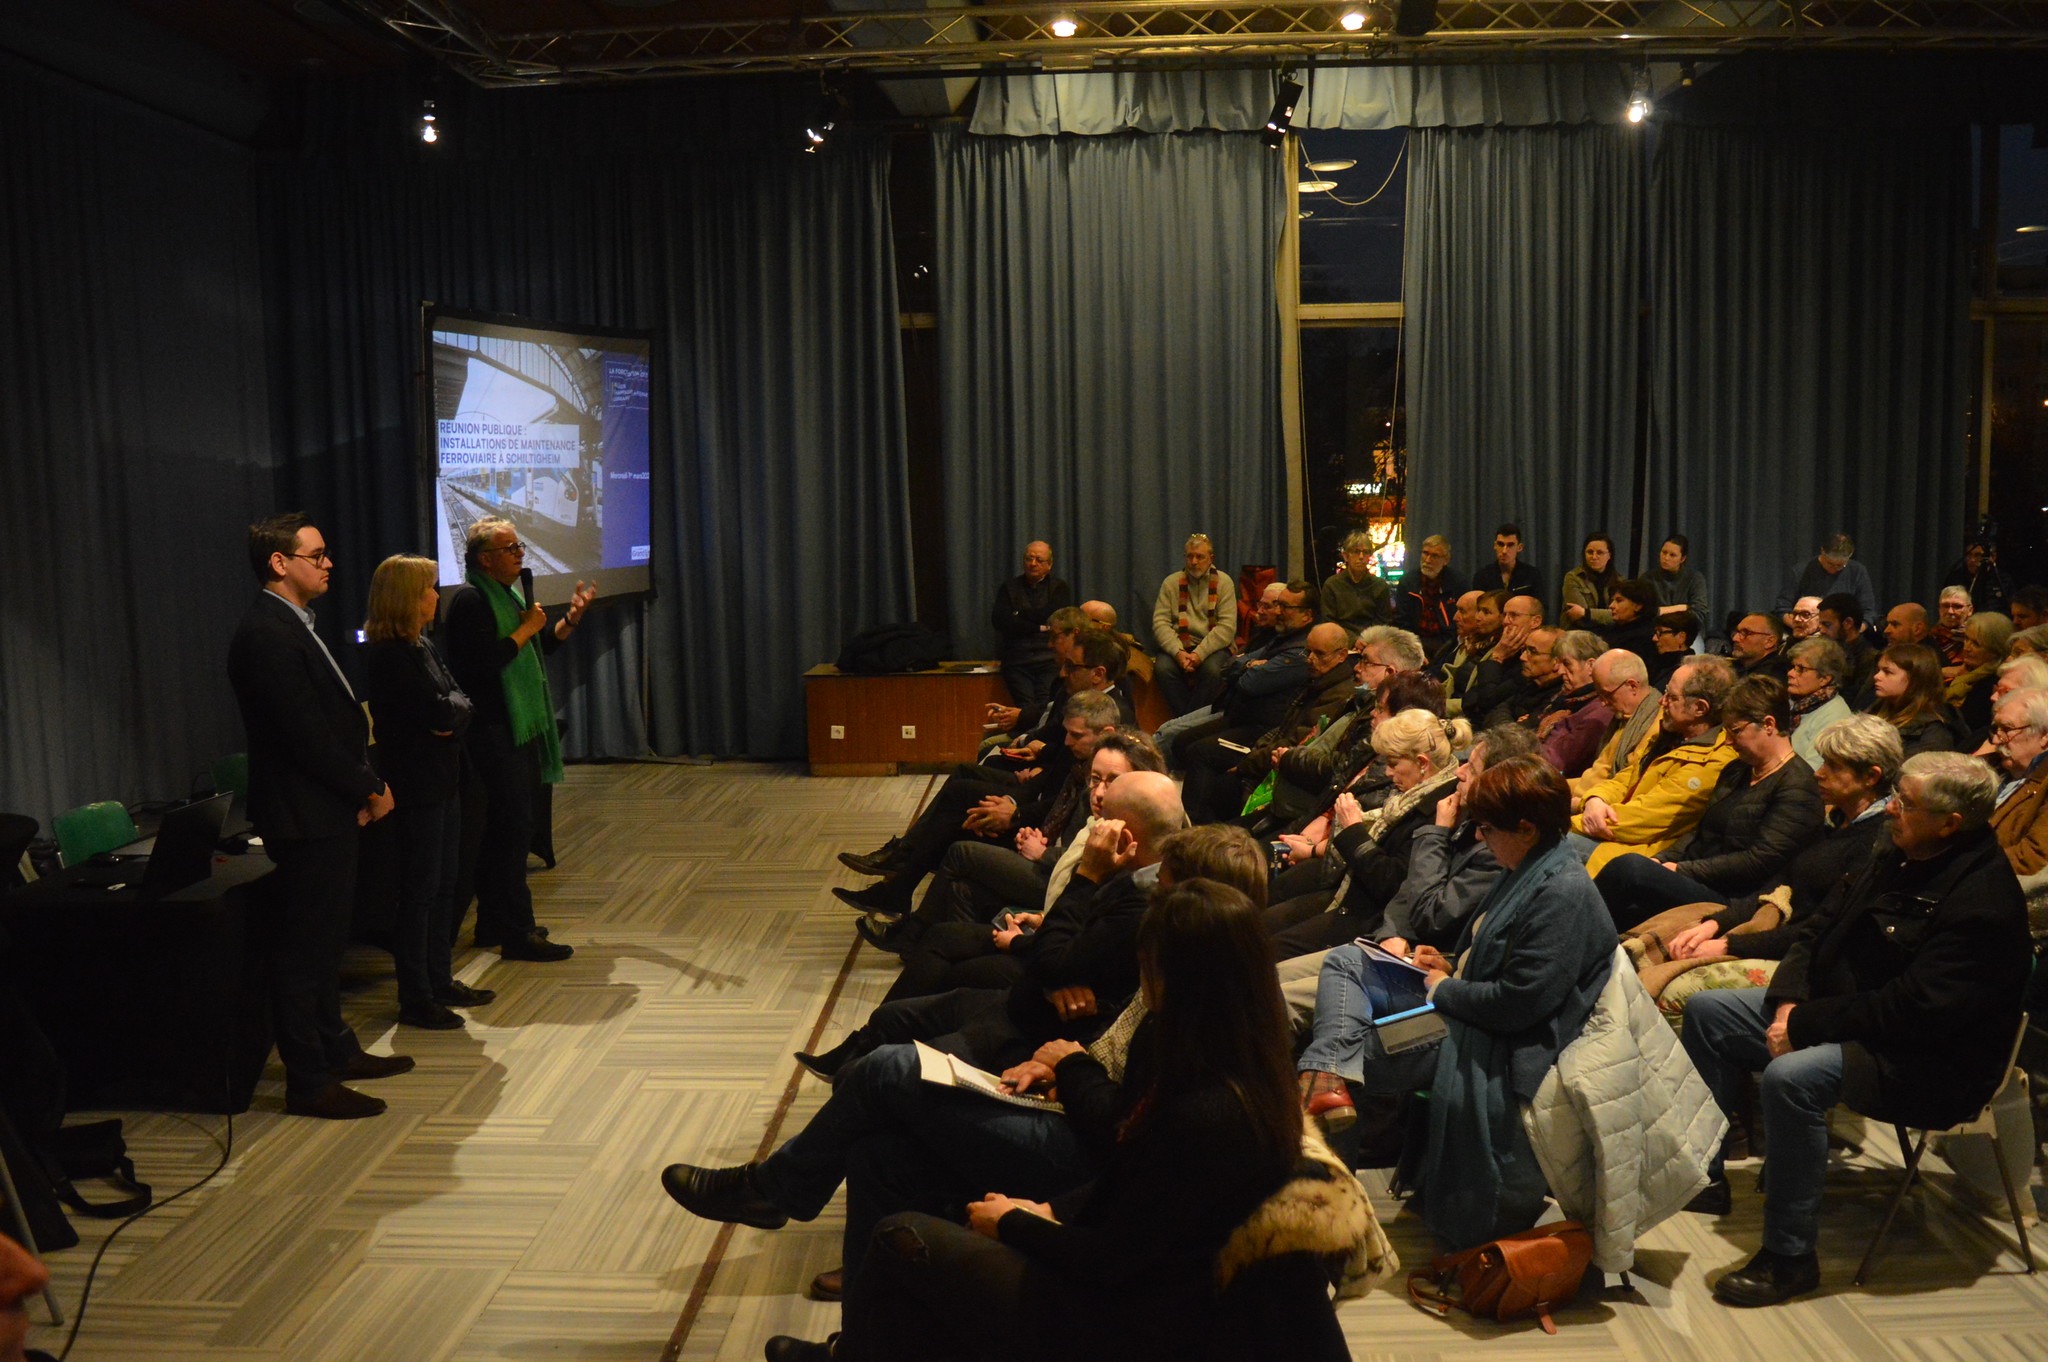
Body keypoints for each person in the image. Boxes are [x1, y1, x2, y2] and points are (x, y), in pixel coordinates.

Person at [759, 878, 1310, 1362]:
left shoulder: (1212, 1112)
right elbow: (1128, 1182)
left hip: (1138, 1321)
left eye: (1147, 966)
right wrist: (1049, 1208)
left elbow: (1117, 1258)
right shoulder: (1219, 1050)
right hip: (1117, 1253)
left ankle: (783, 1211)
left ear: (1178, 976)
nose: (1143, 982)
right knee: (879, 1156)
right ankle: (857, 1348)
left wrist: (1016, 1222)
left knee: (899, 1233)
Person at [1681, 752, 2028, 1307]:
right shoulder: (1896, 851)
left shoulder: (1982, 901)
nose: (1889, 809)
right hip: (1850, 1016)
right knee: (1709, 1011)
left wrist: (1804, 1025)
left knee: (1792, 1078)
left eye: (1904, 803)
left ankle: (1790, 1258)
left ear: (1949, 823)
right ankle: (1704, 1174)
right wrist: (1788, 1005)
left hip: (1927, 1060)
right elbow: (1815, 930)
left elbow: (1912, 1009)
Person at [227, 513, 411, 1120]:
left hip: (324, 808)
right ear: (279, 563)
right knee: (304, 953)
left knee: (326, 945)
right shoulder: (265, 634)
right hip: (303, 816)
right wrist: (369, 786)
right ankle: (308, 1082)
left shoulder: (294, 624)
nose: (329, 563)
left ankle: (337, 1050)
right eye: (317, 554)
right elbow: (304, 736)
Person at [1409, 755, 1615, 1253]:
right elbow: (1498, 957)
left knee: (1364, 1053)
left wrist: (1443, 988)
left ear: (1525, 828)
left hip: (1514, 1045)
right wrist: (1451, 963)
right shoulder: (1526, 866)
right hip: (1477, 1015)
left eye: (1486, 828)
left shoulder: (1562, 889)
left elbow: (1520, 1003)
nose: (1480, 838)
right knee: (1348, 975)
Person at [441, 516, 595, 962]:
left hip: (513, 727)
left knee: (507, 830)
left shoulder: (507, 595)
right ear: (485, 559)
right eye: (510, 549)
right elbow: (481, 666)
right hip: (492, 731)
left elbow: (536, 647)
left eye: (519, 547)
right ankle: (518, 932)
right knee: (511, 831)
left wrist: (569, 620)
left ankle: (495, 922)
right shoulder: (471, 601)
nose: (519, 554)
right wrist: (526, 628)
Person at [1645, 716, 1901, 984]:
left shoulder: (1877, 842)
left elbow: (1822, 930)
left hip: (1806, 963)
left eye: (1833, 766)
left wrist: (1729, 945)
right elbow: (1778, 884)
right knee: (1655, 941)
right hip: (1769, 928)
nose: (1819, 773)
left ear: (1871, 777)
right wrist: (1715, 924)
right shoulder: (1834, 822)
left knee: (1679, 984)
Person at [361, 554, 489, 1030]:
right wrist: (449, 714)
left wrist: (451, 715)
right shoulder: (390, 656)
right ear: (407, 599)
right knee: (420, 892)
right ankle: (416, 996)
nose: (437, 596)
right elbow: (440, 713)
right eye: (429, 589)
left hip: (445, 779)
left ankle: (439, 979)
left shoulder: (424, 645)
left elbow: (461, 702)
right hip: (416, 788)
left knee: (445, 885)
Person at [1592, 676, 1823, 928]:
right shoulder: (1737, 769)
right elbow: (1699, 831)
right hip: (1698, 876)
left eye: (1735, 731)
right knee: (1630, 882)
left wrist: (1681, 870)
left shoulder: (1797, 785)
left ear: (1768, 724)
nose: (1729, 741)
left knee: (1630, 869)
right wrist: (1662, 859)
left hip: (1733, 897)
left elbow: (1759, 862)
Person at [1261, 708, 1471, 959]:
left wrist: (1353, 829)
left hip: (1374, 921)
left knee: (1269, 948)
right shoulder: (1415, 794)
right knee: (1262, 922)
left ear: (1422, 763)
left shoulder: (1441, 810)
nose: (1388, 773)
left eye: (1393, 764)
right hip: (1351, 894)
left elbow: (1392, 884)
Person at [1571, 655, 1739, 874]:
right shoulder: (1668, 736)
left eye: (1672, 696)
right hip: (1612, 833)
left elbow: (1645, 819)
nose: (1662, 701)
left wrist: (1575, 819)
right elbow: (1624, 779)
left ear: (1699, 708)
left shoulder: (1715, 760)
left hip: (1637, 851)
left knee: (1550, 841)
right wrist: (1595, 799)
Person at [1149, 533, 1239, 716]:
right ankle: (1189, 722)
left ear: (1211, 558)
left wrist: (1199, 654)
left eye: (1200, 557)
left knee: (1213, 671)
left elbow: (1227, 627)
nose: (1194, 562)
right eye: (1190, 556)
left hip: (1213, 647)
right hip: (1179, 645)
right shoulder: (1171, 583)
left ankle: (1185, 722)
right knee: (1163, 669)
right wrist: (1178, 652)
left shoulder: (1224, 582)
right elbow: (1160, 623)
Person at [991, 541, 1072, 709]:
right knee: (1025, 708)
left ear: (1049, 565)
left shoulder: (1059, 588)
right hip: (1017, 660)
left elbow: (1055, 617)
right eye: (1029, 559)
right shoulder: (1009, 587)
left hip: (1049, 658)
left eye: (1039, 560)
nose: (1033, 564)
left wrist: (1019, 613)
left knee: (1047, 706)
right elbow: (1000, 621)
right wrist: (1040, 627)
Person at [1570, 650, 1659, 801]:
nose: (1603, 703)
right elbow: (1597, 774)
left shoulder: (1656, 727)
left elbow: (1627, 785)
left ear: (1632, 686)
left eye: (1606, 694)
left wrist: (1582, 802)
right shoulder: (1623, 720)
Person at [1537, 630, 1616, 777]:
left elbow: (1556, 762)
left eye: (1567, 663)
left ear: (1591, 666)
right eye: (1559, 663)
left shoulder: (1599, 713)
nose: (1559, 670)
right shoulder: (1565, 700)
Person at [1988, 688, 2048, 877]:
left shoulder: (2044, 784)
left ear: (2044, 736)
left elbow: (2032, 858)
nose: (1996, 740)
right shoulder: (1991, 768)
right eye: (1995, 729)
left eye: (2007, 729)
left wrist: (1961, 865)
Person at [1866, 642, 1966, 756]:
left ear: (1914, 679)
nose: (1877, 676)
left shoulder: (1934, 732)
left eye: (1887, 672)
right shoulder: (1879, 708)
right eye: (1878, 670)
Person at [1774, 532, 1877, 626]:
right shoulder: (1800, 571)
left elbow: (1868, 612)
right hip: (1807, 631)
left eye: (1840, 565)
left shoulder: (1857, 571)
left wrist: (1855, 631)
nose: (1834, 569)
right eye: (1830, 564)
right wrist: (1799, 627)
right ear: (1822, 551)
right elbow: (1782, 608)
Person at [1782, 636, 1854, 768]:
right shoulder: (1792, 701)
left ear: (1824, 679)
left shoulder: (1835, 716)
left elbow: (1814, 768)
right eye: (1792, 667)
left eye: (1801, 669)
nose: (1791, 673)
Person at [1945, 611, 2014, 732]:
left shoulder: (1993, 683)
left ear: (1995, 650)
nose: (1966, 648)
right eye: (1966, 639)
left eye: (1976, 644)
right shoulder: (1961, 672)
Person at [1394, 534, 1462, 651]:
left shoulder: (1457, 583)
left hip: (1448, 644)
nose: (1427, 560)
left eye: (1435, 556)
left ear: (1446, 560)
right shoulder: (1408, 583)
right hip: (1414, 643)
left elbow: (1461, 623)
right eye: (1425, 553)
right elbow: (1401, 622)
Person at [1322, 529, 1393, 633]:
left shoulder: (1380, 585)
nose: (1361, 557)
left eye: (1365, 552)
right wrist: (1352, 639)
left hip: (1372, 638)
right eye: (1356, 552)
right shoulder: (1332, 585)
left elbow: (1384, 621)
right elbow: (1329, 622)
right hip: (1340, 638)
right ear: (1346, 556)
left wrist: (1366, 639)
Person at [1815, 591, 1879, 701]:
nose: (1822, 631)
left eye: (1827, 625)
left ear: (1848, 623)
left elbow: (1856, 701)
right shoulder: (1826, 651)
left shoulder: (1870, 658)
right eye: (1821, 624)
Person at [1559, 532, 1620, 629]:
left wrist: (1586, 613)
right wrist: (1608, 617)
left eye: (1600, 553)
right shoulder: (1574, 577)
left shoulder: (1619, 580)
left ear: (1609, 555)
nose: (1594, 557)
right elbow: (1579, 619)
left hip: (1612, 632)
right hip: (1580, 632)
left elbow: (1622, 616)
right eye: (1590, 552)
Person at [1645, 534, 1710, 623]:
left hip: (1685, 628)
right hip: (1656, 628)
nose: (1666, 558)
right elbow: (1644, 613)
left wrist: (1661, 611)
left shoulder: (1695, 578)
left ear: (1682, 559)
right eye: (1664, 552)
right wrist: (1682, 608)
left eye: (1672, 555)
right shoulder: (1648, 578)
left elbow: (1699, 614)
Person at [1941, 538, 2013, 616]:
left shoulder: (2002, 579)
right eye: (1969, 555)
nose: (1972, 560)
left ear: (1993, 557)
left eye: (1978, 555)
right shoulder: (1956, 578)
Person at [1474, 522, 1543, 601]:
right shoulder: (1483, 576)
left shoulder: (1531, 575)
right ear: (1495, 545)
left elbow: (1539, 606)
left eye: (1510, 545)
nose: (1504, 551)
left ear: (1520, 547)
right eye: (1500, 544)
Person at [1598, 578, 1661, 663]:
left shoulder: (1645, 637)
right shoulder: (1612, 629)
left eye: (1619, 601)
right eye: (1612, 601)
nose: (1611, 606)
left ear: (1637, 606)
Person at [1729, 613, 1791, 683]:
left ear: (1769, 642)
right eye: (1737, 632)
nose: (1735, 638)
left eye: (1745, 633)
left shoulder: (1773, 679)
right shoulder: (1730, 667)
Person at [1645, 610, 1698, 690]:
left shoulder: (1688, 671)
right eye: (1655, 632)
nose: (1654, 638)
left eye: (1660, 633)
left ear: (1681, 637)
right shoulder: (1654, 661)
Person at [1931, 584, 1972, 665]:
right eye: (1945, 606)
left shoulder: (1976, 640)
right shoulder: (1930, 637)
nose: (1950, 611)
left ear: (1970, 610)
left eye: (1957, 606)